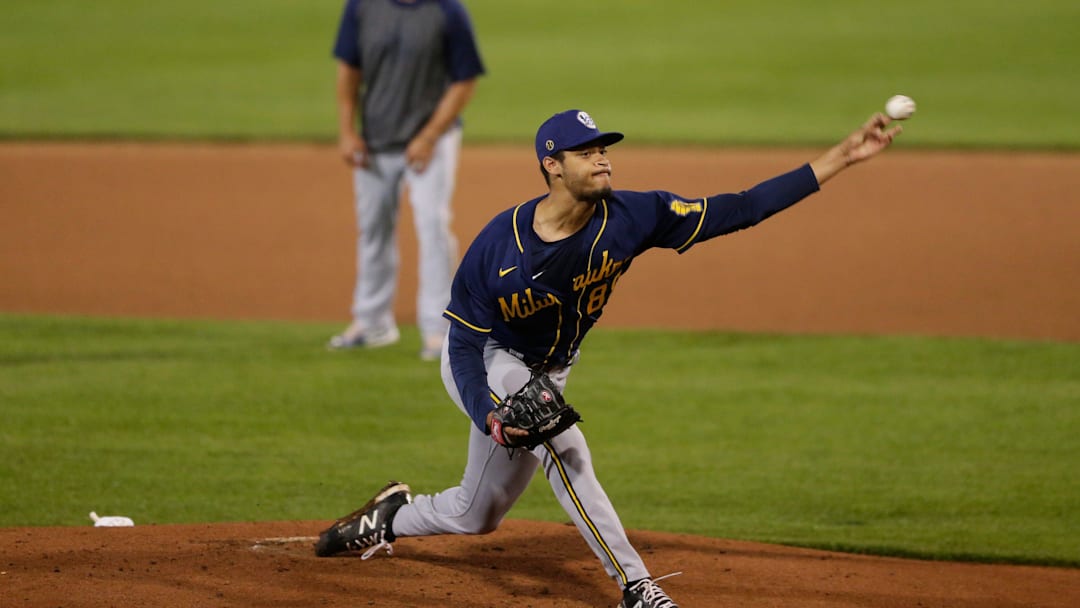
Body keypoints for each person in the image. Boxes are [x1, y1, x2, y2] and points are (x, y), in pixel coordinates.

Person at [314, 109, 902, 607]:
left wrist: (842, 157)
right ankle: (637, 586)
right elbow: (463, 344)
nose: (602, 160)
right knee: (565, 449)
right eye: (585, 151)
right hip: (493, 360)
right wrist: (489, 414)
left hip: (548, 369)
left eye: (603, 149)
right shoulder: (498, 246)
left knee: (476, 514)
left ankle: (387, 516)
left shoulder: (632, 215)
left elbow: (740, 209)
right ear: (552, 165)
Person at [327, 0, 485, 360]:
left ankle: (440, 329)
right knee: (373, 227)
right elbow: (349, 69)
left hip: (432, 142)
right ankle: (371, 322)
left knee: (431, 225)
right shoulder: (362, 7)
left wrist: (429, 136)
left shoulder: (448, 11)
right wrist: (347, 131)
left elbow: (464, 81)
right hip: (376, 138)